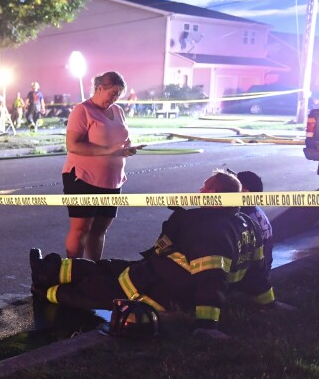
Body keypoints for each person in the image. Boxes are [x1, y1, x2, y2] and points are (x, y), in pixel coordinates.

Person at [30, 170, 285, 335]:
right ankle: (46, 270)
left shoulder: (208, 229)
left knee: (94, 288)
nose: (200, 192)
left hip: (154, 291)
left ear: (215, 195)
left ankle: (44, 291)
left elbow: (212, 278)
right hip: (152, 274)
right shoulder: (245, 223)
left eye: (204, 188)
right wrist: (269, 304)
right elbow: (258, 272)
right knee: (106, 266)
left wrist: (207, 327)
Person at [62, 71, 139, 260]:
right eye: (112, 93)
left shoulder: (118, 111)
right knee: (81, 228)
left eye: (118, 94)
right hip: (83, 178)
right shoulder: (83, 110)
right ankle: (73, 271)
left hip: (112, 181)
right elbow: (73, 145)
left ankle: (93, 272)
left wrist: (128, 148)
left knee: (99, 230)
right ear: (99, 88)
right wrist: (107, 150)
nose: (115, 98)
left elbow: (123, 138)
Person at [237, 170, 273, 269]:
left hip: (253, 275)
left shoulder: (244, 218)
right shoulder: (254, 210)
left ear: (244, 192)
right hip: (262, 270)